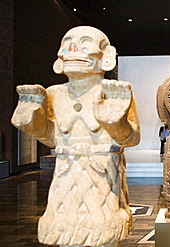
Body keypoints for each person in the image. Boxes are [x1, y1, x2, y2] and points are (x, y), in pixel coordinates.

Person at [11, 26, 140, 246]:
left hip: (104, 177)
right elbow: (53, 139)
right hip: (66, 179)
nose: (71, 50)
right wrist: (32, 123)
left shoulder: (113, 92)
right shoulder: (54, 94)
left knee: (104, 231)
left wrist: (115, 123)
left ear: (106, 57)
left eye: (85, 43)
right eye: (67, 43)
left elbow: (131, 138)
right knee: (65, 229)